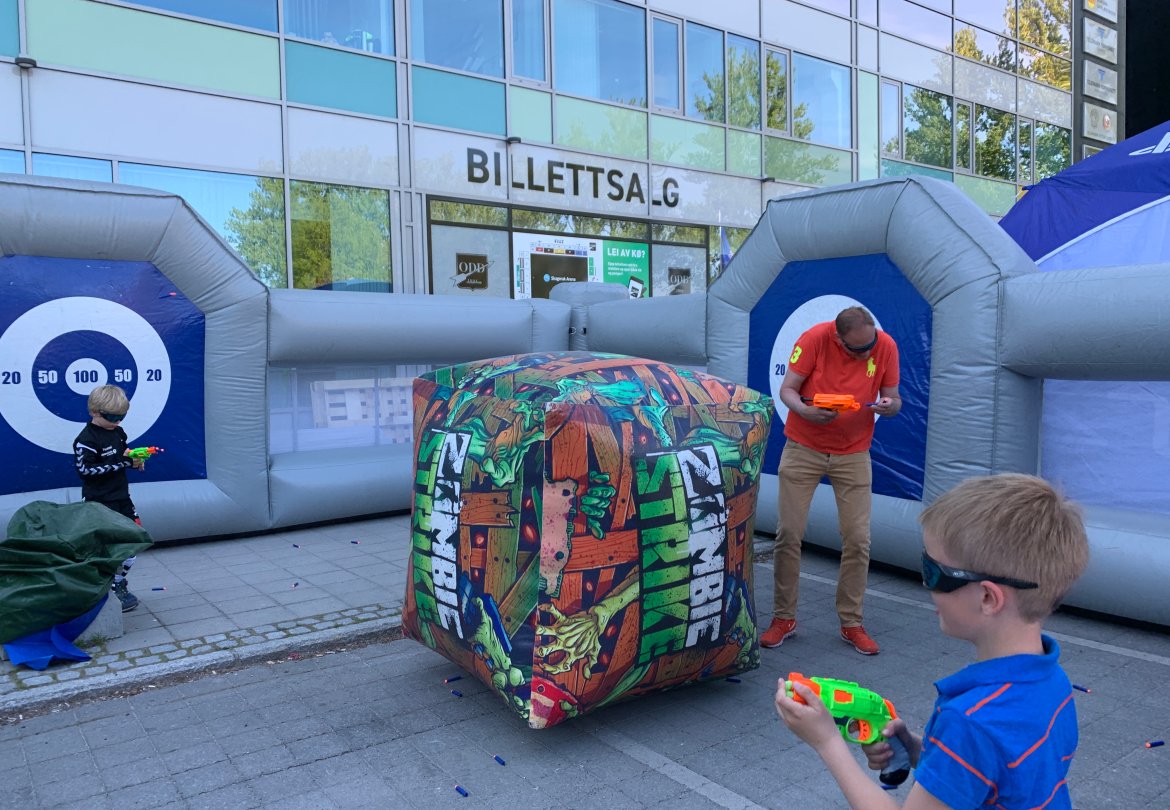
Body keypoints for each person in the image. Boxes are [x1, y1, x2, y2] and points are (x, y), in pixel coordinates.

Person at [775, 473, 1090, 809]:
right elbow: (1006, 774)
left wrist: (827, 741)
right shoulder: (1053, 679)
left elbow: (977, 742)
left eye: (934, 572)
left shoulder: (968, 722)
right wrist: (920, 750)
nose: (926, 587)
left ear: (987, 598)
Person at [761, 306, 900, 655]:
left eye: (870, 345)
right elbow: (788, 390)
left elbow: (895, 398)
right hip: (803, 447)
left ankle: (851, 622)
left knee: (858, 540)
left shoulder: (885, 345)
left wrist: (889, 406)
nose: (867, 353)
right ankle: (783, 618)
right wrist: (805, 411)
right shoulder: (814, 339)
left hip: (854, 452)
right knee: (788, 534)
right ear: (838, 338)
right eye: (858, 349)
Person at [73, 384, 145, 612]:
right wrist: (124, 462)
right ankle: (105, 588)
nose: (118, 421)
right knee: (104, 550)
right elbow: (85, 471)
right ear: (94, 411)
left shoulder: (118, 432)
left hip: (122, 498)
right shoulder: (86, 439)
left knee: (135, 541)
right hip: (99, 503)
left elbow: (122, 455)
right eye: (113, 417)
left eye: (122, 416)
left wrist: (135, 459)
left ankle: (117, 581)